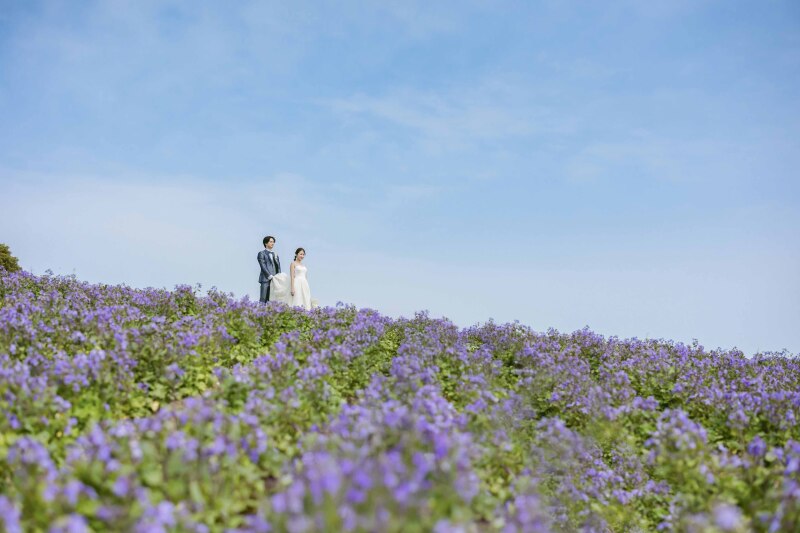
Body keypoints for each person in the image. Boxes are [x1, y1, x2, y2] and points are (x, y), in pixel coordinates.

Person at [257, 235, 280, 304]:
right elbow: (262, 265)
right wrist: (269, 275)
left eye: (273, 242)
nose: (272, 243)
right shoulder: (261, 253)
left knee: (272, 298)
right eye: (271, 242)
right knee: (263, 298)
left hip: (275, 279)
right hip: (265, 279)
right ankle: (260, 312)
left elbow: (278, 267)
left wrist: (279, 276)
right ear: (266, 243)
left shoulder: (275, 254)